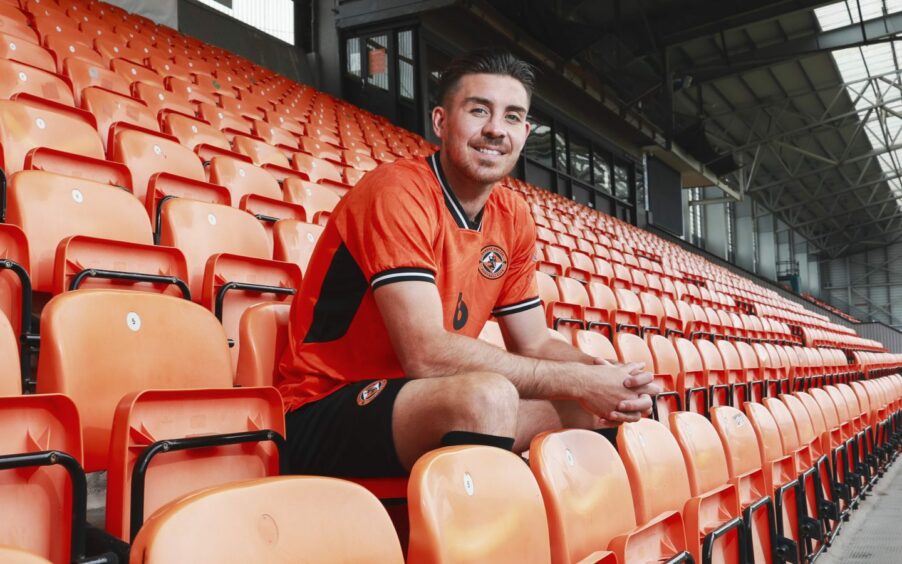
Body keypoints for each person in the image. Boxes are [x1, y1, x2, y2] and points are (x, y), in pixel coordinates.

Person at [278, 48, 660, 477]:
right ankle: (469, 543)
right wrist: (577, 382)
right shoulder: (398, 191)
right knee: (486, 398)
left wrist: (607, 377)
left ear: (526, 131)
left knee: (608, 410)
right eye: (479, 110)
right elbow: (425, 354)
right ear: (441, 121)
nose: (496, 129)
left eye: (512, 116)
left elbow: (533, 342)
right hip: (323, 405)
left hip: (425, 399)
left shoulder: (513, 216)